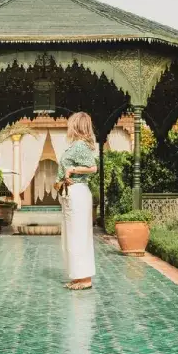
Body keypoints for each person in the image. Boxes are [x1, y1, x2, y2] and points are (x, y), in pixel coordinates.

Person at [54, 112, 98, 290]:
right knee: (72, 236)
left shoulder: (80, 146)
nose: (68, 127)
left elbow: (93, 168)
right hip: (72, 193)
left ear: (76, 126)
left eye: (70, 124)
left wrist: (72, 169)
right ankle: (78, 276)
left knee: (78, 236)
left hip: (78, 193)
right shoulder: (75, 146)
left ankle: (85, 279)